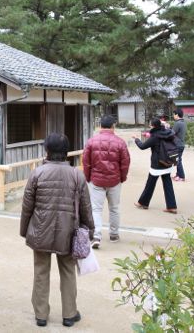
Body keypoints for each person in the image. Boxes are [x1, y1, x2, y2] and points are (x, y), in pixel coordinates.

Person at [20, 133, 94, 328]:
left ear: (47, 151)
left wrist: (24, 230)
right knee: (68, 271)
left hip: (40, 229)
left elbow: (27, 206)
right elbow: (86, 206)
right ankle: (69, 314)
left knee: (41, 271)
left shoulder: (37, 173)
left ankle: (41, 315)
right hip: (68, 231)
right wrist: (90, 230)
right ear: (66, 152)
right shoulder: (77, 175)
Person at [82, 115, 130, 249]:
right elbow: (125, 163)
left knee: (96, 209)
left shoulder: (91, 141)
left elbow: (86, 162)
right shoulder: (120, 142)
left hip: (96, 180)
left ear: (100, 126)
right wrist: (122, 178)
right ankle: (114, 234)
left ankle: (96, 236)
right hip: (114, 180)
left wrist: (88, 178)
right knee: (114, 208)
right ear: (113, 126)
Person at [132, 117, 178, 213]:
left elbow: (142, 146)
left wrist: (136, 139)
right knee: (168, 184)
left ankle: (143, 202)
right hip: (167, 161)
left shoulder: (155, 136)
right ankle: (172, 206)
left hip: (157, 164)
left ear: (153, 126)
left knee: (150, 184)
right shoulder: (167, 132)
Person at [172, 109, 187, 182]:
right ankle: (178, 174)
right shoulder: (183, 122)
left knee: (178, 161)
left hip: (177, 144)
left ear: (177, 115)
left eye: (174, 114)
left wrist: (166, 128)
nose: (173, 116)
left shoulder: (177, 123)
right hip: (181, 144)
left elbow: (172, 133)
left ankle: (181, 176)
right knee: (177, 160)